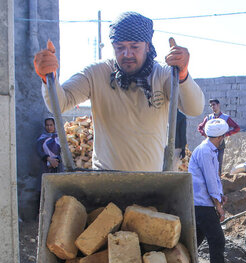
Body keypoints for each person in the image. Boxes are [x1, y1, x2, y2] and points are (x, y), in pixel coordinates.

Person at [33, 11, 204, 171]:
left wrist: (182, 75)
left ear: (147, 46)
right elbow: (60, 103)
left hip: (151, 184)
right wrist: (49, 78)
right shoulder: (97, 73)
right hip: (105, 182)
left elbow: (194, 108)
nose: (127, 53)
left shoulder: (163, 75)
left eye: (135, 46)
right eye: (120, 47)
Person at [188, 118, 238, 263]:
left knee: (195, 240)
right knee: (217, 240)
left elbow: (214, 178)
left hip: (201, 201)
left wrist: (220, 194)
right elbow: (210, 181)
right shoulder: (206, 152)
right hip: (203, 202)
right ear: (220, 137)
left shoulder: (209, 150)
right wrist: (218, 206)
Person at [197, 99, 240, 175]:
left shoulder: (225, 118)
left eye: (213, 104)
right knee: (209, 165)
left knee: (218, 164)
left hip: (220, 144)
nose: (212, 107)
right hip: (209, 145)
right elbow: (200, 127)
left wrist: (226, 134)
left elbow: (237, 128)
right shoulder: (209, 118)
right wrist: (205, 134)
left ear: (218, 105)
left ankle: (218, 180)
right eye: (211, 105)